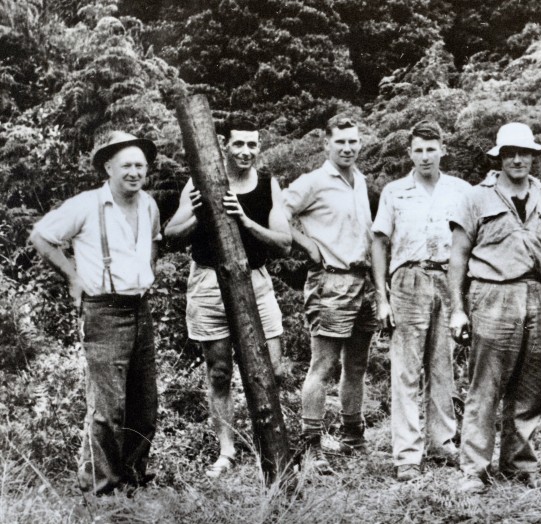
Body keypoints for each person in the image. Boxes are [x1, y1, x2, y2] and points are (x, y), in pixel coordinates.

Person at [448, 122, 541, 493]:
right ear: (499, 157)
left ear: (533, 157)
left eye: (524, 153)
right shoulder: (477, 197)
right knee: (485, 385)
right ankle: (473, 470)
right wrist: (458, 309)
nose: (518, 159)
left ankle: (519, 465)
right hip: (491, 293)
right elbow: (457, 257)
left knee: (528, 387)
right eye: (510, 153)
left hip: (535, 297)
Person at [30, 131, 161, 495]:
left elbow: (152, 243)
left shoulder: (148, 204)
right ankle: (101, 491)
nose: (134, 172)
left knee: (145, 406)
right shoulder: (87, 205)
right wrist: (73, 278)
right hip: (104, 311)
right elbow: (42, 236)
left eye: (140, 165)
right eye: (126, 166)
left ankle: (132, 482)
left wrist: (145, 275)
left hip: (140, 308)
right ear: (108, 168)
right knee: (107, 409)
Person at [164, 126, 291, 478]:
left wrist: (245, 220)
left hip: (255, 281)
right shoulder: (201, 180)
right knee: (219, 371)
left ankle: (269, 442)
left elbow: (283, 243)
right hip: (208, 280)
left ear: (260, 147)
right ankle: (227, 451)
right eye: (239, 143)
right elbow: (171, 234)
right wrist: (200, 215)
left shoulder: (267, 185)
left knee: (274, 369)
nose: (245, 151)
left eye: (252, 144)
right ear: (225, 145)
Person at [371, 120, 471, 482]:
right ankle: (407, 455)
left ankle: (443, 442)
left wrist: (463, 296)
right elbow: (379, 243)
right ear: (410, 153)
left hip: (448, 279)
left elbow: (470, 241)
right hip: (408, 280)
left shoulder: (461, 190)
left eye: (431, 149)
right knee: (406, 370)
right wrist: (382, 298)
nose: (425, 156)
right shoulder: (395, 192)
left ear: (442, 149)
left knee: (443, 367)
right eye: (418, 150)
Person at [283, 116, 377, 474]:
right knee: (322, 365)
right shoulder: (314, 181)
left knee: (357, 364)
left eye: (353, 141)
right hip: (330, 282)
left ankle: (353, 434)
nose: (348, 148)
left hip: (362, 281)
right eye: (341, 142)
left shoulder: (360, 179)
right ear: (327, 144)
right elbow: (281, 212)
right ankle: (311, 445)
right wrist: (307, 245)